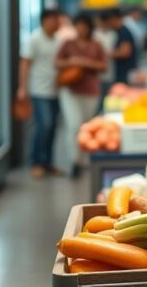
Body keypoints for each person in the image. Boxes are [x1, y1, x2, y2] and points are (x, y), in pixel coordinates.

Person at [55, 14, 107, 177]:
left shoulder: (96, 45)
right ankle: (74, 160)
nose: (81, 29)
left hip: (90, 90)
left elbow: (103, 66)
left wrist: (86, 63)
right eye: (78, 25)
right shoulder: (67, 44)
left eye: (84, 26)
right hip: (70, 89)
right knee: (74, 125)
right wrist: (73, 61)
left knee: (85, 125)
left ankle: (84, 158)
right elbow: (57, 62)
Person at [16, 9, 63, 178]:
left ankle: (48, 163)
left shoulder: (58, 40)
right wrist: (22, 88)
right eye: (54, 20)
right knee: (44, 125)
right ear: (45, 21)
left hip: (55, 90)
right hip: (38, 89)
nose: (58, 23)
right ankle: (36, 162)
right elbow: (25, 63)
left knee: (52, 128)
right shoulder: (34, 39)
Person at [93, 13, 118, 114]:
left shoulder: (113, 34)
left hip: (109, 71)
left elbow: (111, 52)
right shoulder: (94, 34)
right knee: (96, 100)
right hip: (96, 73)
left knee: (106, 99)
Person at [106, 9, 137, 85]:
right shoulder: (118, 32)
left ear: (114, 19)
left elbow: (125, 52)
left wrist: (107, 54)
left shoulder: (124, 32)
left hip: (125, 73)